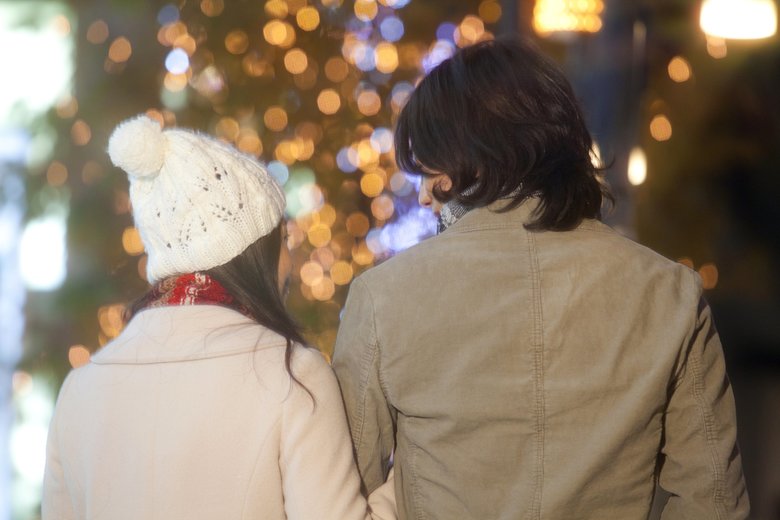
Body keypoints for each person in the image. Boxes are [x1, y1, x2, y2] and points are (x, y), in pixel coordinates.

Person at [332, 37, 749, 519]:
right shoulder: (670, 291)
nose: (425, 198)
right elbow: (714, 501)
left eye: (430, 171)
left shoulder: (383, 297)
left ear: (477, 156)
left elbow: (342, 497)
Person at [42, 115, 396, 520]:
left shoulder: (79, 388)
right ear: (252, 253)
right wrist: (408, 477)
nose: (292, 258)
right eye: (284, 237)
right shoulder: (293, 374)